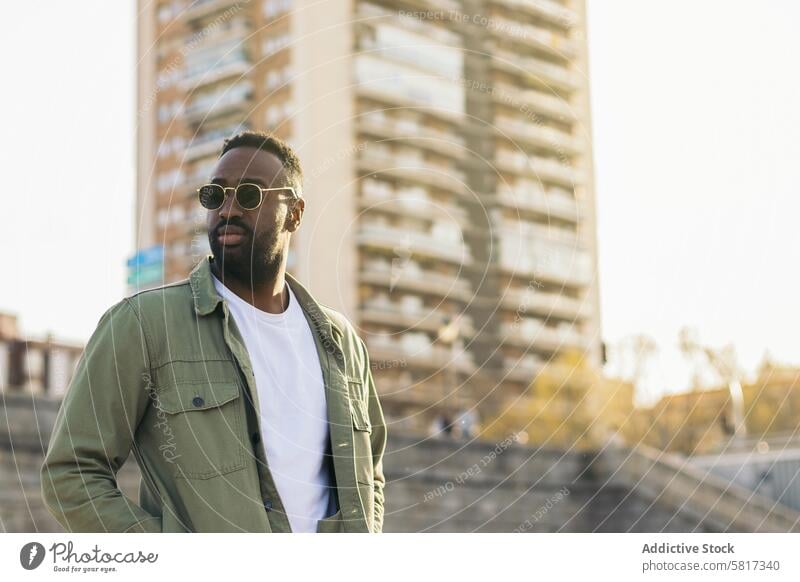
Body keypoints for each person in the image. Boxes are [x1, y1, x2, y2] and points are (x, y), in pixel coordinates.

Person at [41, 130, 387, 533]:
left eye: (249, 195)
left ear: (295, 212)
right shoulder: (143, 324)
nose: (227, 210)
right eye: (215, 195)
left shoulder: (342, 343)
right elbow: (72, 473)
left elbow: (370, 473)